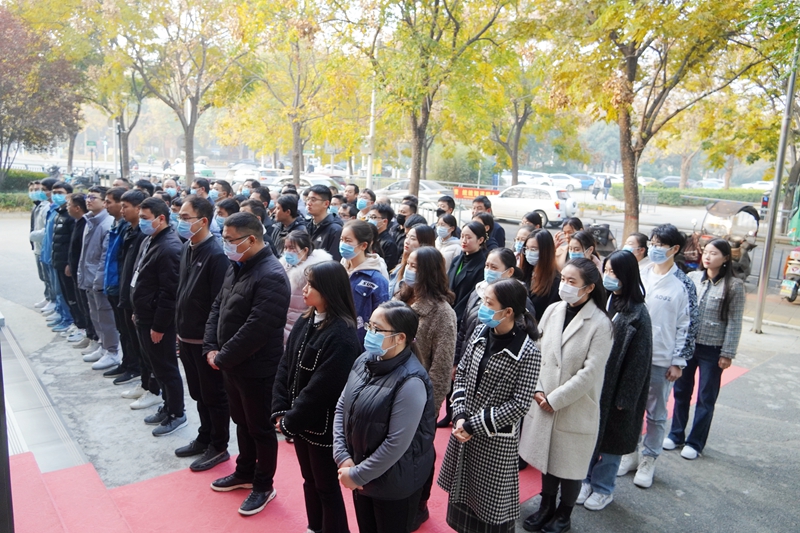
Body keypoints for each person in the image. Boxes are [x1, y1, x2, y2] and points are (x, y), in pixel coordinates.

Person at [438, 279, 542, 533]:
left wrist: (474, 424)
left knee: (489, 506)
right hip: (465, 430)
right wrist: (460, 414)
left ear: (508, 311)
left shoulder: (528, 352)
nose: (482, 307)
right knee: (462, 497)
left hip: (494, 440)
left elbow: (519, 405)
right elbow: (461, 374)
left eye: (488, 303)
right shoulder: (480, 332)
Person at [204, 212, 291, 516]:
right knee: (242, 422)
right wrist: (211, 347)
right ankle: (244, 472)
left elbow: (258, 327)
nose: (225, 245)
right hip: (232, 365)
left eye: (230, 240)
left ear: (251, 239)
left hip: (257, 368)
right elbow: (219, 305)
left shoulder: (271, 274)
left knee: (261, 428)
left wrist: (222, 357)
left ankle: (263, 485)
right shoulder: (237, 265)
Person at [520, 258, 613, 533]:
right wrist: (537, 389)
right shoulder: (553, 310)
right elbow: (535, 350)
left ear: (589, 288)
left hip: (574, 405)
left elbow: (590, 373)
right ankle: (546, 505)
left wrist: (555, 399)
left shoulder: (601, 324)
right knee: (547, 459)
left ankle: (564, 513)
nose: (565, 286)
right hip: (542, 398)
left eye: (573, 282)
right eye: (564, 279)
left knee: (569, 464)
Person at [272, 261, 361, 533]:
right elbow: (285, 365)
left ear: (329, 291)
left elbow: (323, 388)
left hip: (323, 428)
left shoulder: (343, 335)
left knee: (325, 486)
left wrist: (291, 421)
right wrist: (279, 408)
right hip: (300, 422)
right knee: (309, 480)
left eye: (311, 285)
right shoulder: (306, 319)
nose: (305, 289)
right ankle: (315, 526)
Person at [333, 301, 436, 533]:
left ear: (400, 338)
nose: (370, 333)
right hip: (361, 473)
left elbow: (396, 443)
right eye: (370, 326)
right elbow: (342, 407)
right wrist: (342, 456)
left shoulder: (411, 381)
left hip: (394, 485)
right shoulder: (364, 360)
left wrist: (358, 474)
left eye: (377, 329)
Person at [617, 224, 699, 488]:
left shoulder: (683, 283)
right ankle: (629, 453)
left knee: (655, 412)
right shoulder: (640, 273)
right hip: (632, 354)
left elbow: (689, 324)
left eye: (660, 244)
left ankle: (649, 458)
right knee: (629, 407)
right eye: (652, 242)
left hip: (661, 358)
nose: (654, 247)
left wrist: (678, 361)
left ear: (675, 249)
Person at [579, 251, 652, 511]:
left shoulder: (638, 314)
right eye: (606, 271)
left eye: (613, 273)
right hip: (596, 384)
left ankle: (604, 488)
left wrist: (626, 398)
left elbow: (639, 362)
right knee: (589, 437)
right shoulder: (604, 301)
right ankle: (586, 480)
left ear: (627, 276)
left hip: (617, 389)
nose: (608, 277)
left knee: (610, 444)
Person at [395, 246, 457, 530]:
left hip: (419, 400)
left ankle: (419, 504)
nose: (409, 269)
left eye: (415, 266)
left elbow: (442, 367)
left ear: (429, 272)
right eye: (408, 263)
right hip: (390, 392)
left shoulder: (442, 313)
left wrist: (427, 409)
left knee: (418, 454)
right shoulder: (401, 298)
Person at [665, 238, 744, 460]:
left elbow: (735, 321)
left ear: (726, 258)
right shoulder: (693, 279)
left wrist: (727, 353)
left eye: (714, 253)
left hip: (713, 349)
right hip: (688, 346)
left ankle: (695, 442)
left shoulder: (734, 286)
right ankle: (676, 434)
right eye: (706, 252)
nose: (708, 257)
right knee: (681, 391)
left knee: (705, 397)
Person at [173, 195, 233, 472]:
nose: (180, 222)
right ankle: (204, 436)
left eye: (185, 218)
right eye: (180, 217)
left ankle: (218, 446)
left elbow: (218, 305)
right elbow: (182, 291)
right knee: (198, 393)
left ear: (203, 221)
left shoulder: (216, 254)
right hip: (186, 336)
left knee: (214, 395)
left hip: (204, 341)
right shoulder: (188, 247)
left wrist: (213, 344)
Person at [131, 197, 186, 436]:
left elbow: (169, 293)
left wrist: (159, 325)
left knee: (166, 368)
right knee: (156, 366)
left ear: (161, 218)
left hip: (157, 322)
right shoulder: (150, 240)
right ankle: (167, 406)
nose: (141, 222)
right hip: (144, 315)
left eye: (145, 218)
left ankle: (177, 412)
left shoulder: (170, 246)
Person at [78, 187, 121, 366]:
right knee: (95, 315)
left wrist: (99, 280)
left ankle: (113, 351)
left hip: (100, 280)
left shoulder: (107, 223)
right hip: (89, 277)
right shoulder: (90, 221)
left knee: (105, 316)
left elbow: (105, 256)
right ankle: (103, 346)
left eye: (93, 197)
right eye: (87, 196)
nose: (88, 200)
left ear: (104, 202)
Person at [115, 190, 149, 392]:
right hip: (125, 291)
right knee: (127, 334)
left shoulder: (145, 236)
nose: (122, 210)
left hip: (137, 298)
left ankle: (147, 383)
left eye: (125, 206)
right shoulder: (127, 230)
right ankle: (132, 367)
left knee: (143, 347)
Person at [339, 220, 390, 347]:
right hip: (335, 337)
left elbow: (381, 318)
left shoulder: (376, 279)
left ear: (363, 246)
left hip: (359, 341)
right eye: (342, 239)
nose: (343, 244)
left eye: (348, 241)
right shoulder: (339, 269)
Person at [95, 187, 129, 374]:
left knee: (129, 333)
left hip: (121, 287)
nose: (106, 205)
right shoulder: (116, 226)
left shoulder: (130, 230)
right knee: (122, 330)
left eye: (109, 202)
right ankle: (127, 363)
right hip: (113, 285)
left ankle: (134, 368)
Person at [279, 230, 333, 342]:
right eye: (286, 248)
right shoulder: (282, 268)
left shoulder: (314, 274)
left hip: (301, 327)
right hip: (282, 325)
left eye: (292, 248)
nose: (288, 252)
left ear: (305, 250)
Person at [65, 193, 96, 349]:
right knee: (83, 305)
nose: (66, 208)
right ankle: (90, 336)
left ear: (77, 208)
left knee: (91, 308)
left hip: (86, 274)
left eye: (69, 205)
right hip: (79, 272)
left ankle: (96, 340)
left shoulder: (87, 223)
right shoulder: (79, 222)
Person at [448, 221, 488, 326]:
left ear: (480, 240)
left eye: (468, 237)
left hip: (461, 319)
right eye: (462, 236)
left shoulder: (482, 266)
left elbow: (471, 297)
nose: (464, 241)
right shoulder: (457, 260)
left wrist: (453, 316)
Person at [521, 230, 561, 322]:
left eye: (534, 249)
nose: (529, 253)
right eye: (526, 248)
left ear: (545, 252)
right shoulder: (524, 274)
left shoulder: (555, 282)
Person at [389, 224, 435, 296]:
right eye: (407, 237)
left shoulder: (428, 273)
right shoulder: (400, 267)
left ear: (424, 242)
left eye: (413, 239)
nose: (407, 241)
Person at [307, 185, 343, 261]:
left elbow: (334, 262)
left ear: (326, 204)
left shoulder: (335, 230)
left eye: (313, 200)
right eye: (308, 199)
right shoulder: (308, 225)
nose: (309, 203)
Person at [369, 203, 401, 271]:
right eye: (370, 217)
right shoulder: (368, 237)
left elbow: (387, 268)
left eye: (374, 217)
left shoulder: (389, 244)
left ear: (384, 221)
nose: (370, 220)